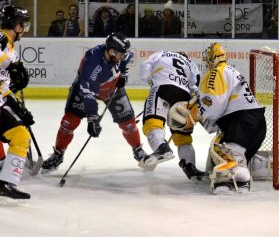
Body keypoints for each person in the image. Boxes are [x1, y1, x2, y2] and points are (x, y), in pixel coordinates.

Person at [41, 32, 147, 173]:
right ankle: (58, 154)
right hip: (85, 88)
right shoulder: (92, 62)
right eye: (121, 54)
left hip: (111, 89)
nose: (123, 56)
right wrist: (93, 119)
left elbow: (126, 61)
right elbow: (88, 93)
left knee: (128, 123)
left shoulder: (119, 53)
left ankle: (138, 150)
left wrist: (123, 76)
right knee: (69, 122)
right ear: (111, 52)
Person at [170, 43, 266, 193]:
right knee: (214, 162)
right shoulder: (229, 70)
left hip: (242, 122)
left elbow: (215, 103)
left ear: (211, 57)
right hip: (254, 124)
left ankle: (238, 177)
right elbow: (216, 110)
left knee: (223, 150)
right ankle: (259, 165)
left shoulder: (216, 72)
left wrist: (196, 115)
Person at [138, 51, 206, 179]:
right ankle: (190, 167)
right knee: (182, 136)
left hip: (163, 88)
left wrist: (150, 81)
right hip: (184, 95)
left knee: (152, 122)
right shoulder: (190, 63)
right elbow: (195, 84)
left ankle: (162, 148)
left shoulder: (161, 54)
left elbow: (145, 65)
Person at [0, 5, 34, 200]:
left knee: (20, 134)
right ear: (15, 24)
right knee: (21, 136)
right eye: (23, 24)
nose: (24, 28)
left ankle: (5, 182)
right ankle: (6, 184)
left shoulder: (11, 47)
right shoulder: (1, 38)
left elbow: (4, 86)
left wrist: (17, 107)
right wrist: (10, 65)